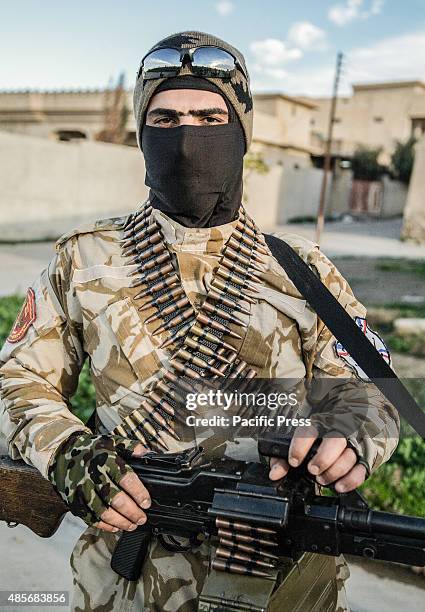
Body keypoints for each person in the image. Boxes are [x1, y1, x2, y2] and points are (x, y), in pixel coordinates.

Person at [0, 31, 399, 612]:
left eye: (210, 115)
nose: (186, 137)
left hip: (274, 573)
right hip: (125, 581)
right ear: (141, 138)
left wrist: (352, 438)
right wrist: (70, 455)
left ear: (241, 133)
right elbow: (22, 378)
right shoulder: (86, 258)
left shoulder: (304, 269)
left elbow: (370, 388)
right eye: (164, 120)